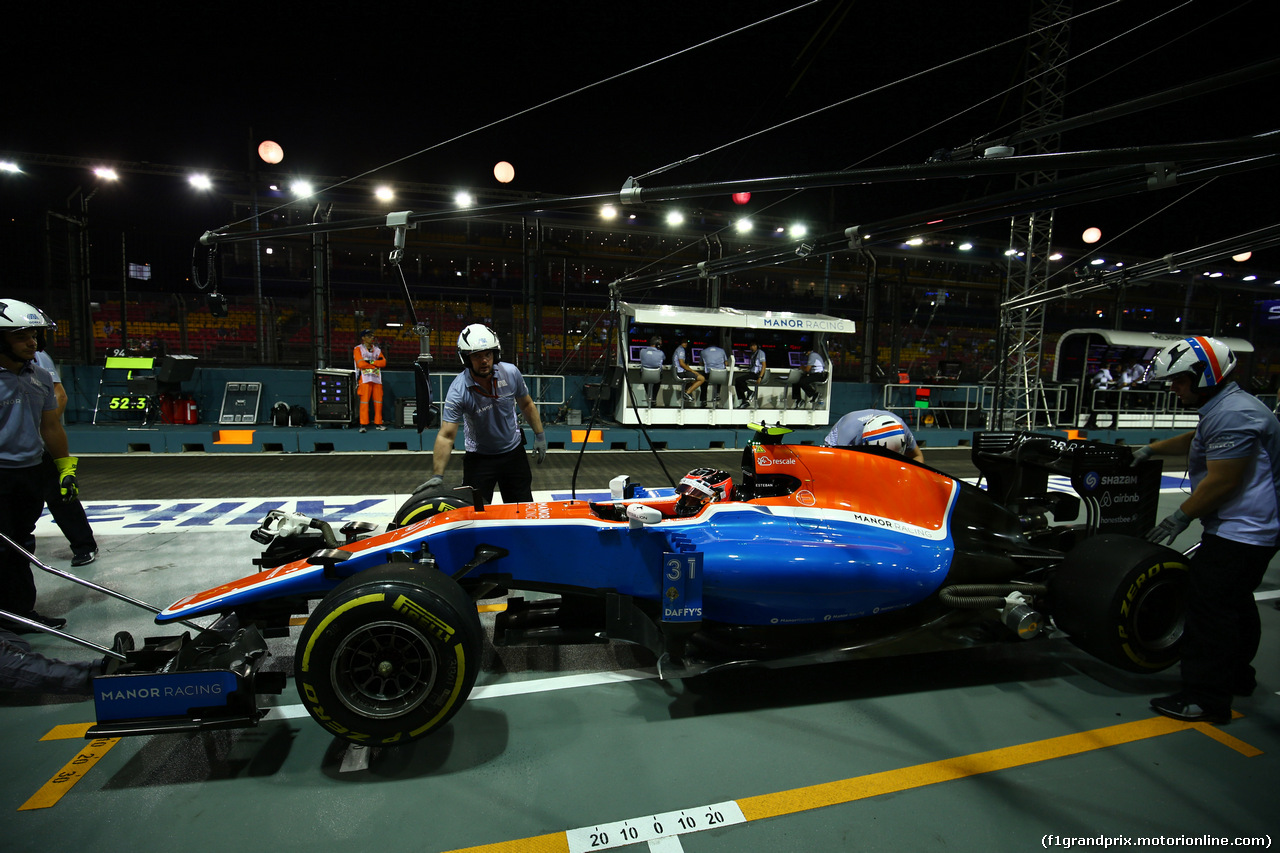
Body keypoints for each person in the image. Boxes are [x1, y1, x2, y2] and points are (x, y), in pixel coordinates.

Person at [1129, 336, 1280, 724]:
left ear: (1205, 375)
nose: (1174, 388)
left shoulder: (1233, 414)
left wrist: (1178, 518)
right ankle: (1237, 677)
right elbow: (1198, 440)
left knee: (1209, 614)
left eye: (1179, 381)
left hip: (1241, 532)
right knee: (1237, 607)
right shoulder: (1227, 407)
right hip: (1248, 530)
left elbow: (1222, 481)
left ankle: (1205, 698)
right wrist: (1152, 449)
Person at [0, 299, 80, 633]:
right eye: (22, 336)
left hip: (30, 471)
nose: (33, 342)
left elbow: (50, 427)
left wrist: (65, 468)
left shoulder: (42, 377)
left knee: (21, 543)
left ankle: (19, 613)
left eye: (34, 334)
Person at [422, 324, 546, 505]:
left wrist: (540, 435)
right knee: (475, 512)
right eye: (477, 356)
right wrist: (437, 475)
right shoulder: (458, 390)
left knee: (521, 509)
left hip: (513, 454)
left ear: (495, 354)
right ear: (466, 358)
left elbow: (526, 404)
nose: (484, 361)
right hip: (479, 459)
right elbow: (446, 435)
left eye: (488, 354)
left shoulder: (510, 373)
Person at [33, 343, 98, 567]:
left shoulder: (37, 361)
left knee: (61, 496)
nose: (31, 342)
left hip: (38, 446)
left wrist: (41, 427)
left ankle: (84, 545)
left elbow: (59, 396)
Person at [823, 409, 925, 462]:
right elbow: (841, 470)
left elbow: (917, 456)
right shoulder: (848, 434)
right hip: (844, 432)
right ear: (865, 443)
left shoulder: (901, 428)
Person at [353, 329, 388, 433]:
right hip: (364, 379)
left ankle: (378, 423)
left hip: (376, 379)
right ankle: (363, 424)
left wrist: (370, 361)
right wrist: (375, 363)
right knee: (364, 402)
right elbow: (361, 364)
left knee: (378, 402)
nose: (371, 338)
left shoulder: (377, 350)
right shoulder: (358, 349)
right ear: (363, 338)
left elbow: (383, 363)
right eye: (368, 336)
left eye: (372, 336)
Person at [672, 335, 704, 405]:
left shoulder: (678, 349)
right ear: (681, 343)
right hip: (680, 372)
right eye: (684, 342)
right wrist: (693, 371)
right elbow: (682, 364)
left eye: (686, 342)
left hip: (679, 371)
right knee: (701, 378)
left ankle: (685, 391)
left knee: (694, 378)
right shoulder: (681, 350)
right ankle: (687, 393)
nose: (686, 344)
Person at [734, 342, 766, 406]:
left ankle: (749, 392)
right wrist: (741, 350)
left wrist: (760, 377)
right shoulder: (753, 354)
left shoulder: (760, 353)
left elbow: (764, 365)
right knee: (738, 383)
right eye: (751, 346)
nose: (752, 347)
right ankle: (744, 401)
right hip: (752, 373)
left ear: (757, 346)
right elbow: (749, 354)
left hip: (757, 374)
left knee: (738, 380)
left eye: (754, 345)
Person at [638, 335, 664, 407]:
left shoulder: (642, 351)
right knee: (658, 379)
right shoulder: (661, 353)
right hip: (656, 377)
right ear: (657, 345)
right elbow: (663, 358)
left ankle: (649, 396)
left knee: (645, 378)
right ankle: (653, 398)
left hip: (645, 375)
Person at [699, 342, 728, 406]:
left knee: (703, 380)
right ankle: (717, 393)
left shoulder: (703, 351)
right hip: (721, 376)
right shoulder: (722, 351)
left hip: (709, 374)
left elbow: (701, 363)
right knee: (718, 377)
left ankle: (703, 400)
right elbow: (726, 363)